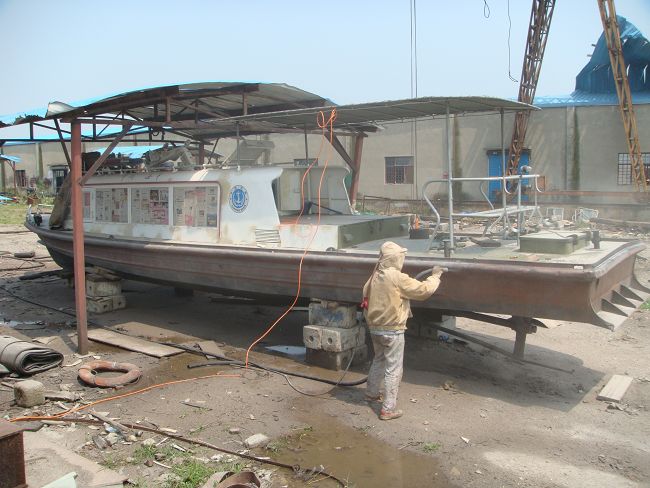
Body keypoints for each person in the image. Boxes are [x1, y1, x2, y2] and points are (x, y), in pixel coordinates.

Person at [362, 241, 444, 420]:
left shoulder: (374, 276)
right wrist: (436, 276)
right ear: (396, 258)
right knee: (394, 369)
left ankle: (371, 393)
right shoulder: (397, 277)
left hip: (375, 328)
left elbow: (365, 298)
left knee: (379, 360)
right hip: (393, 330)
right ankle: (388, 409)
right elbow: (423, 290)